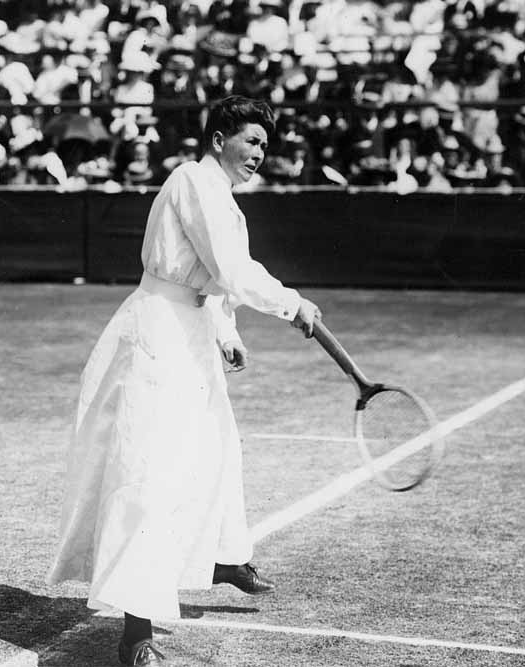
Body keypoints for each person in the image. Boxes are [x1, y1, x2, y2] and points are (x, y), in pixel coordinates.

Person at [47, 96, 321, 666]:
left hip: (189, 330)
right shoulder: (194, 181)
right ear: (219, 139)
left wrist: (225, 333)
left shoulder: (218, 193)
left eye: (265, 146)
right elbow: (227, 268)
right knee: (146, 476)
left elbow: (211, 283)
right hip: (156, 336)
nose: (259, 154)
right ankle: (135, 633)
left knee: (218, 449)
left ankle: (219, 556)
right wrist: (291, 304)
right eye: (250, 141)